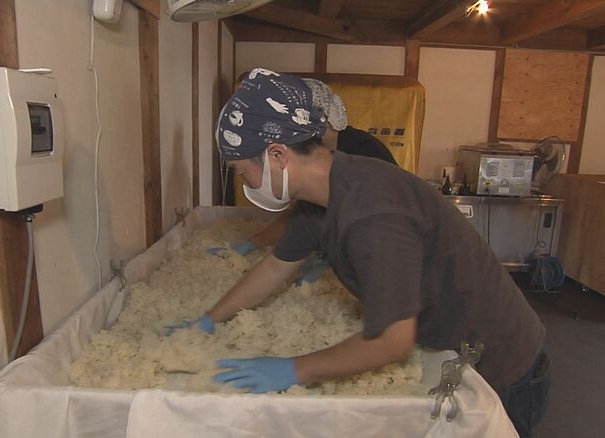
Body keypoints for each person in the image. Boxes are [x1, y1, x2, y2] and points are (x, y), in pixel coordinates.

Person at [177, 68, 549, 437]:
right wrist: (208, 320)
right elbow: (275, 267)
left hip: (500, 361)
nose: (245, 183)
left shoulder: (373, 213)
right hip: (449, 335)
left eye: (243, 172)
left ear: (277, 155)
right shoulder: (323, 194)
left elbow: (391, 341)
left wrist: (293, 369)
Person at [216, 77, 397, 285]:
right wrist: (251, 243)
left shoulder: (362, 152)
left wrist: (334, 258)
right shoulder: (309, 159)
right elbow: (301, 215)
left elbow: (377, 224)